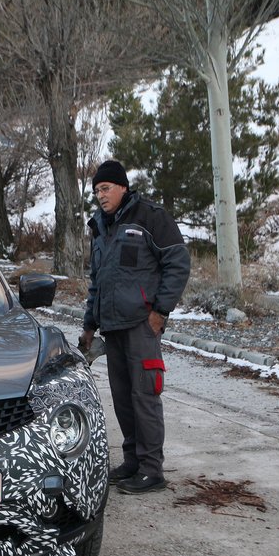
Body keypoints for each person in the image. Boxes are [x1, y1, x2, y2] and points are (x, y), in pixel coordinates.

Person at [79, 160, 190, 495]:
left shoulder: (149, 217)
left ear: (122, 187)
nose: (101, 196)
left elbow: (178, 262)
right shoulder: (100, 226)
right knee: (124, 399)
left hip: (141, 325)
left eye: (106, 188)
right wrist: (89, 324)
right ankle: (132, 462)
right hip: (112, 327)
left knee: (145, 395)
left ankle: (152, 470)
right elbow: (97, 280)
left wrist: (160, 312)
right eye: (97, 190)